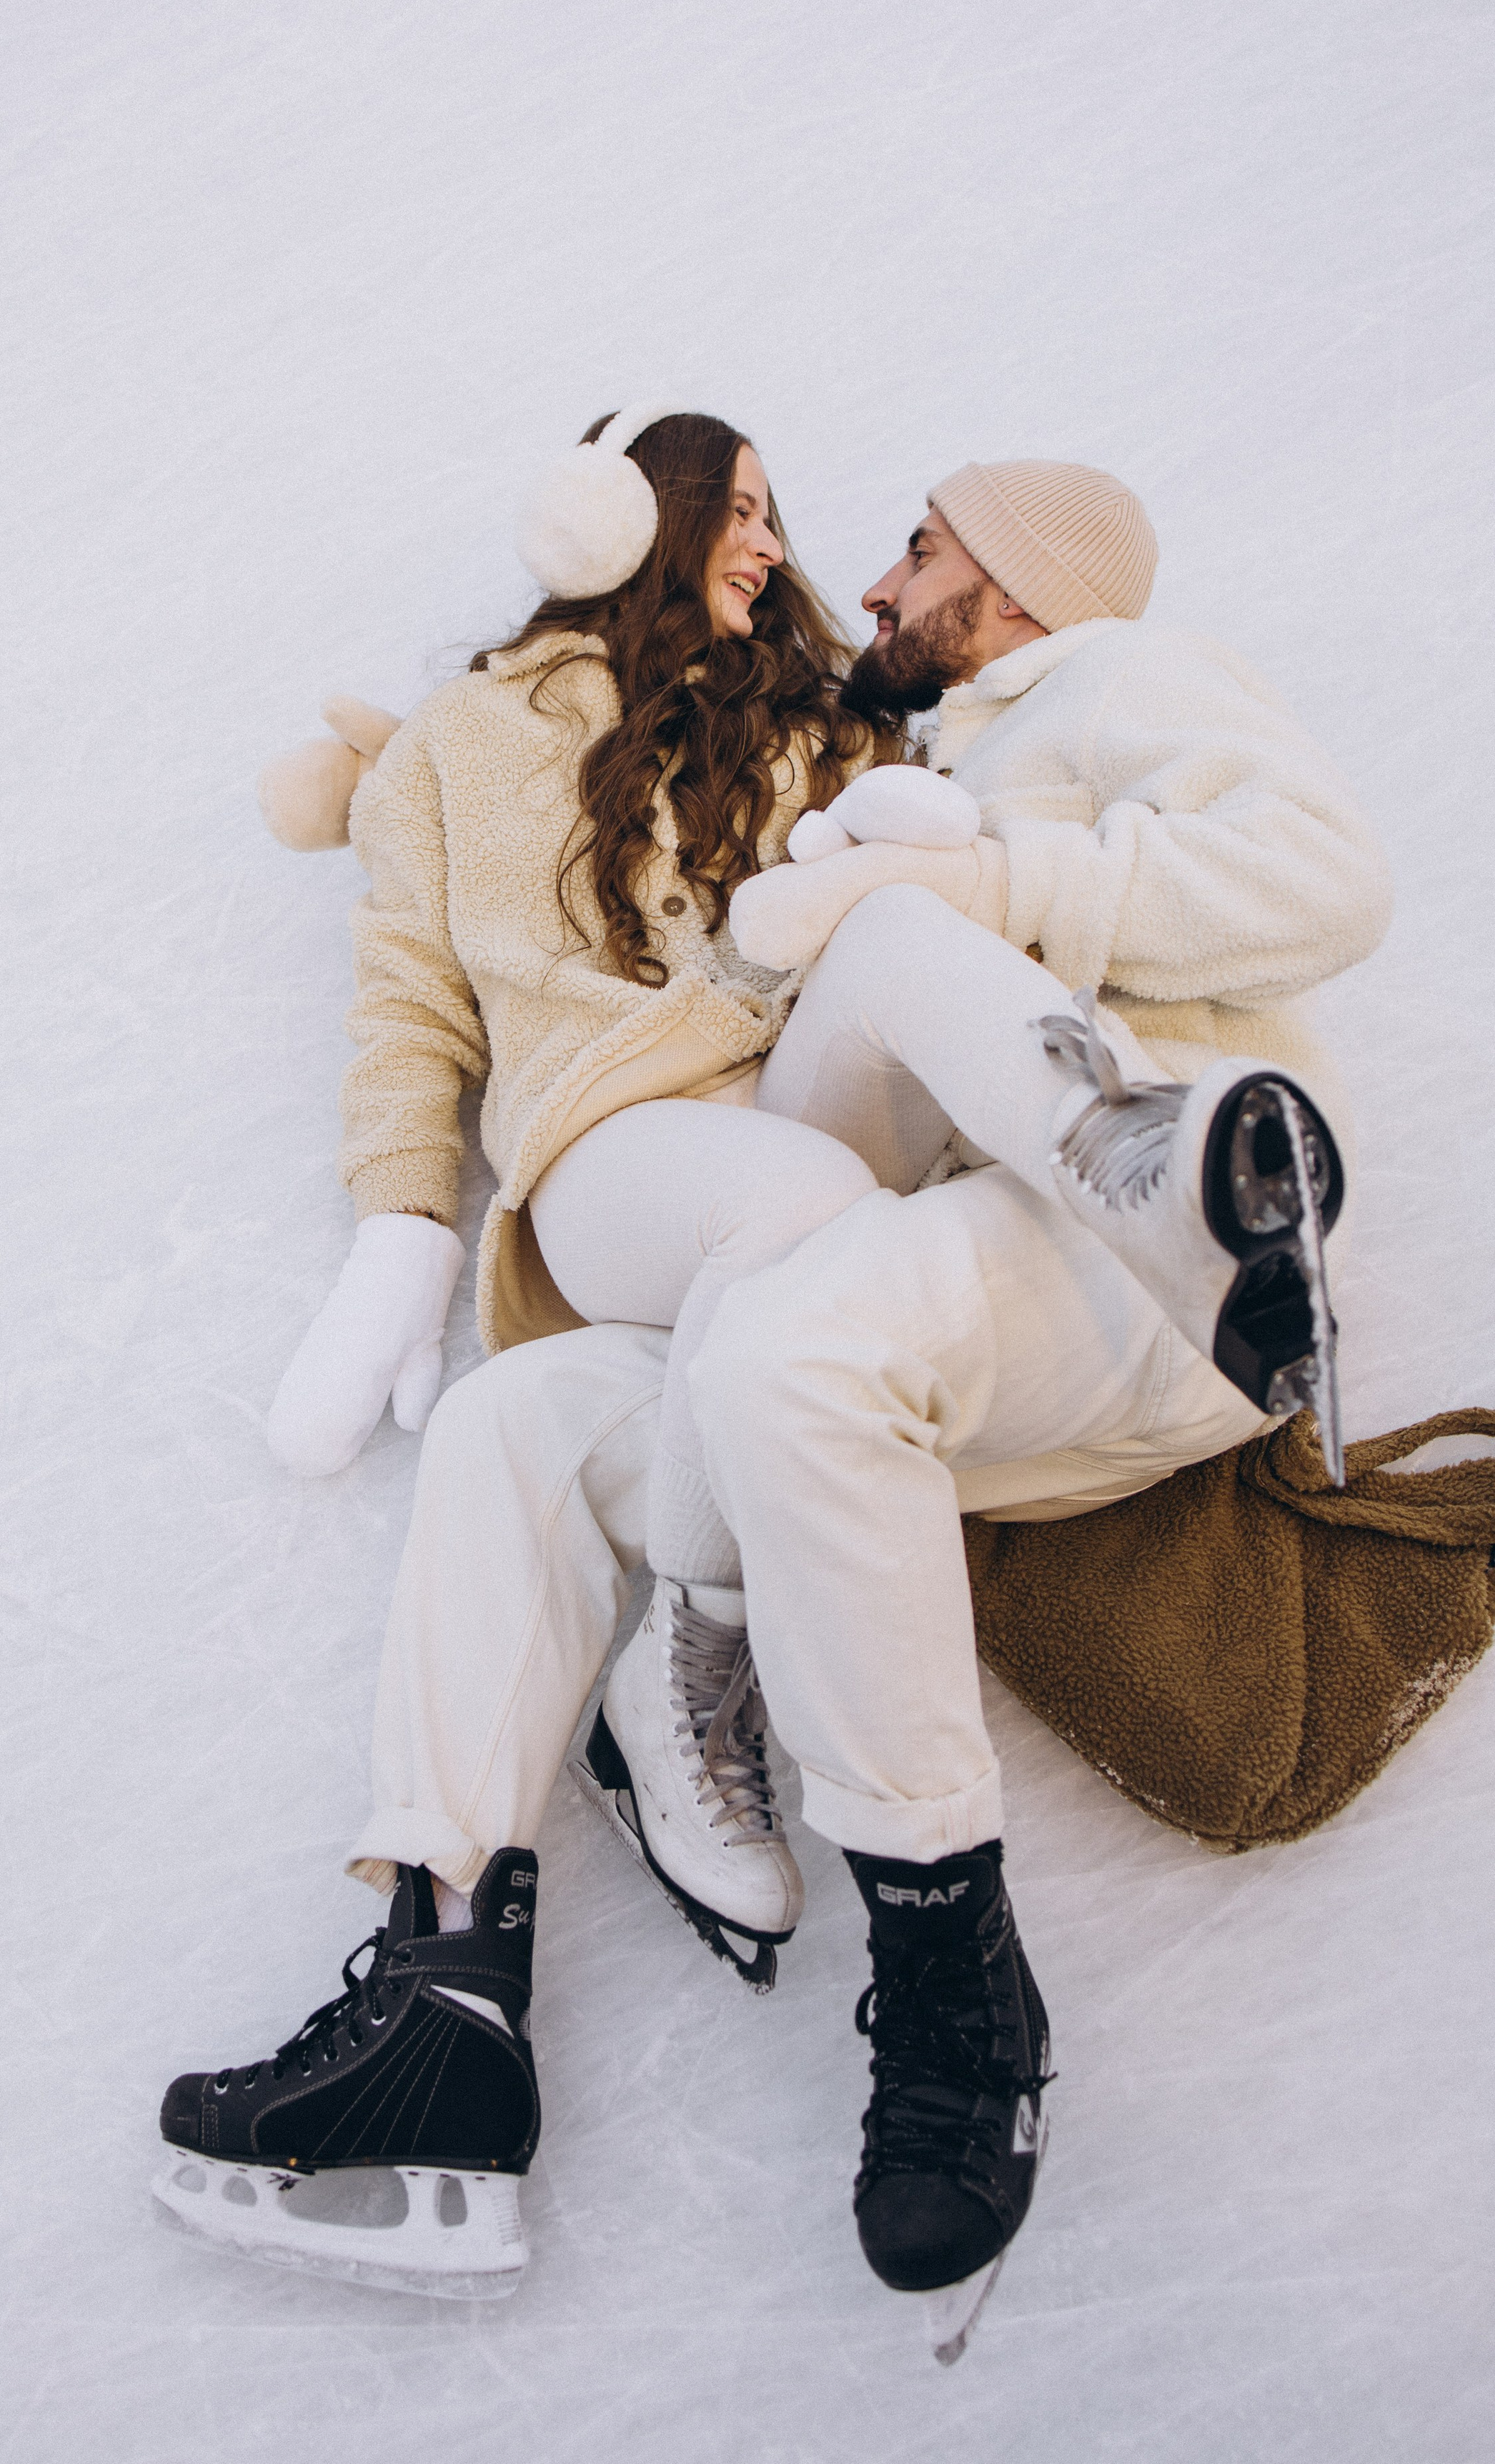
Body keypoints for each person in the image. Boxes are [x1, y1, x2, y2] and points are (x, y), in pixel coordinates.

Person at [153, 453, 1390, 2358]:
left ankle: (942, 1965)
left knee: (826, 1239)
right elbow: (538, 918)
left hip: (1168, 1278)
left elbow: (1324, 879)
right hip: (944, 1282)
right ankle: (441, 2023)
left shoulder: (1112, 682)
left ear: (1025, 578)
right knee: (515, 1429)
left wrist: (982, 876)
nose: (864, 578)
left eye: (919, 547)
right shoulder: (892, 752)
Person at [261, 405, 1020, 1982]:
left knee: (505, 1426)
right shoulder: (461, 740)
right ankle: (665, 1692)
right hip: (614, 1155)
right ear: (629, 521)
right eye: (734, 510)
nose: (767, 544)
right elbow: (408, 1004)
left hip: (795, 1148)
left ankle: (448, 1965)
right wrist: (402, 1229)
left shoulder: (798, 725)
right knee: (806, 1216)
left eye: (770, 514)